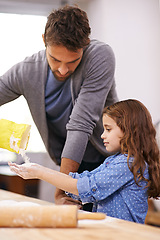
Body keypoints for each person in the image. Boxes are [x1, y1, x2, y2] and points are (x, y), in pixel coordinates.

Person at [0, 5, 118, 208]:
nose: (63, 70)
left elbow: (80, 124)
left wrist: (63, 188)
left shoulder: (99, 56)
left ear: (86, 44)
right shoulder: (25, 72)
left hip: (110, 163)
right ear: (44, 39)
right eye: (55, 59)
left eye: (73, 61)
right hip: (71, 165)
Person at [9, 99, 160, 223]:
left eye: (108, 129)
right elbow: (81, 182)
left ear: (128, 130)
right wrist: (38, 169)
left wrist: (39, 172)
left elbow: (83, 187)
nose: (102, 135)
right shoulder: (114, 161)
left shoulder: (127, 165)